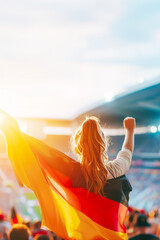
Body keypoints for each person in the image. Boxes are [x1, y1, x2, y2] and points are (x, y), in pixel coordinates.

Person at [73, 116, 135, 195]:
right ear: (104, 144)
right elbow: (127, 152)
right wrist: (130, 130)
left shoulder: (72, 174)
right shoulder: (113, 171)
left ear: (77, 149)